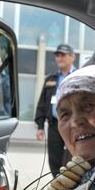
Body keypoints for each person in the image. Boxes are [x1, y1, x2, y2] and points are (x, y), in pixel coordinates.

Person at [35, 43, 76, 176]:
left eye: (63, 55)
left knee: (74, 156)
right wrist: (40, 126)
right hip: (54, 124)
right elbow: (42, 103)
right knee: (54, 159)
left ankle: (71, 186)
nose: (59, 58)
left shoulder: (79, 76)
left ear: (72, 57)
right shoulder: (51, 79)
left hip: (74, 124)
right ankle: (58, 183)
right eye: (57, 55)